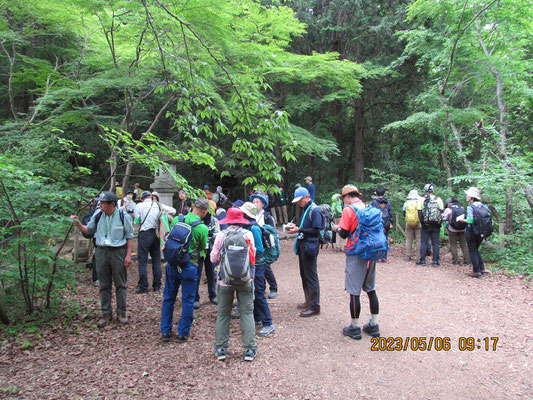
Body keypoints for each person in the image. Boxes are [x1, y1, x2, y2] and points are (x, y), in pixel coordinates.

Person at [70, 191, 134, 327]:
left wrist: (128, 255)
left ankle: (121, 313)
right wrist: (78, 224)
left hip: (118, 252)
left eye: (103, 202)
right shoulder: (98, 214)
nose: (100, 204)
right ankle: (106, 313)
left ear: (112, 204)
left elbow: (129, 236)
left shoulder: (123, 216)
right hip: (101, 252)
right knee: (103, 284)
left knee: (120, 284)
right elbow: (88, 230)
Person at [333, 185, 380, 339]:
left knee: (354, 292)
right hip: (371, 252)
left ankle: (354, 327)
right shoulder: (367, 207)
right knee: (371, 289)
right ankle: (374, 324)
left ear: (348, 197)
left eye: (344, 198)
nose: (344, 202)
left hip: (356, 253)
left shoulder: (349, 210)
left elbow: (345, 233)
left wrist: (336, 228)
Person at [211, 207, 258, 362]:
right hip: (246, 280)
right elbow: (253, 256)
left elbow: (213, 258)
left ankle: (221, 348)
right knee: (247, 313)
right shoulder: (248, 234)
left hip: (225, 281)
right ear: (241, 220)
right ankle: (249, 350)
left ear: (228, 220)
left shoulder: (221, 235)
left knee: (223, 314)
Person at [161, 198, 209, 343]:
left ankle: (165, 331)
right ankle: (183, 333)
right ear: (205, 211)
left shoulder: (177, 219)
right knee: (188, 300)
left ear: (193, 207)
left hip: (172, 264)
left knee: (169, 298)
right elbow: (202, 249)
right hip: (190, 265)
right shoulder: (202, 228)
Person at [286, 187, 323, 317]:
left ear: (307, 197)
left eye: (300, 200)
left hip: (310, 246)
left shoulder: (315, 210)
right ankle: (308, 301)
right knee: (304, 274)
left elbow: (316, 230)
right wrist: (297, 228)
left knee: (311, 276)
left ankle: (314, 306)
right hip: (303, 244)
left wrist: (299, 229)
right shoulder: (305, 209)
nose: (298, 203)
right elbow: (305, 226)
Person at [240, 201, 275, 336]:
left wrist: (247, 249)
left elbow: (259, 249)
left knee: (259, 292)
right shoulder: (248, 226)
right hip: (253, 264)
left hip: (259, 264)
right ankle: (257, 318)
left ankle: (268, 323)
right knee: (253, 291)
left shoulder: (254, 228)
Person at [134, 191, 176, 294]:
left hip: (144, 234)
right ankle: (157, 286)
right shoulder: (158, 205)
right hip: (156, 234)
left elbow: (137, 222)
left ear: (142, 198)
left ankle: (143, 287)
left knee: (143, 260)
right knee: (156, 260)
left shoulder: (139, 205)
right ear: (151, 197)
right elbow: (173, 211)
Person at [250, 193, 278, 300]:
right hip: (254, 244)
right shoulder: (251, 215)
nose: (255, 204)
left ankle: (274, 288)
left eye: (257, 202)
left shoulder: (267, 217)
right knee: (257, 267)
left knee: (266, 267)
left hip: (265, 245)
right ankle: (262, 287)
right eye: (254, 202)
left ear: (263, 204)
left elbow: (272, 232)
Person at [458, 187, 489, 278]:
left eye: (468, 195)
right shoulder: (484, 205)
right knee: (476, 249)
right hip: (482, 231)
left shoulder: (470, 207)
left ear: (471, 197)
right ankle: (482, 269)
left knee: (472, 250)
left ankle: (476, 271)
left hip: (472, 231)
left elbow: (470, 220)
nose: (466, 196)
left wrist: (462, 220)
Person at [194, 200, 220, 309]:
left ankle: (213, 294)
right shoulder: (196, 219)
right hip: (198, 250)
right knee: (196, 273)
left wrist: (211, 235)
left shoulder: (214, 220)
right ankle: (195, 298)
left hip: (210, 249)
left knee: (211, 273)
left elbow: (218, 235)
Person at [417, 184, 444, 267]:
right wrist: (439, 223)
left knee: (424, 243)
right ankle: (435, 261)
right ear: (433, 191)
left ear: (425, 191)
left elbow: (420, 213)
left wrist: (423, 223)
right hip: (436, 225)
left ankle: (423, 260)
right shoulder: (438, 199)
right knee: (435, 243)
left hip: (425, 225)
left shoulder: (422, 200)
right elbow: (442, 213)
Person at [442, 197, 471, 266]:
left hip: (452, 229)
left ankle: (456, 261)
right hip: (462, 228)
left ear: (449, 203)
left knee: (453, 245)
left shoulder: (449, 209)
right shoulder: (462, 207)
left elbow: (444, 218)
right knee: (463, 244)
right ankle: (467, 260)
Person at [370, 186, 393, 262]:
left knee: (375, 239)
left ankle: (376, 257)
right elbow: (390, 214)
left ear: (376, 193)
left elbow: (370, 213)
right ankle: (384, 258)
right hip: (386, 223)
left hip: (376, 223)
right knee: (385, 239)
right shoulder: (387, 202)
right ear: (384, 193)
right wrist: (391, 223)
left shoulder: (373, 202)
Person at [403, 190, 422, 262]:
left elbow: (404, 213)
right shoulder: (419, 202)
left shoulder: (406, 203)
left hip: (408, 223)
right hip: (418, 222)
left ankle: (408, 256)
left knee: (409, 240)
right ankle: (418, 257)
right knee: (418, 240)